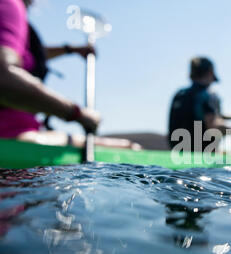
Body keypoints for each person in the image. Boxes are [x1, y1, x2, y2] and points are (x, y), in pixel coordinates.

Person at [0, 0, 137, 149]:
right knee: (128, 147)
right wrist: (77, 114)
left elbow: (26, 54)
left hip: (18, 134)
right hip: (12, 138)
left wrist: (70, 50)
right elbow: (3, 77)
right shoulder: (9, 4)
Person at [168, 56, 231, 152]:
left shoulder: (180, 94)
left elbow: (213, 115)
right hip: (201, 157)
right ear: (210, 73)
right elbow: (215, 127)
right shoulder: (207, 95)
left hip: (177, 153)